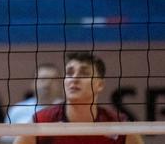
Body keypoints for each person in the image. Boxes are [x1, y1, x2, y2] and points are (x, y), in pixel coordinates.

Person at [13, 52, 143, 144]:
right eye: (69, 73)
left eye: (84, 73)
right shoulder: (41, 121)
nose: (74, 78)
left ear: (100, 85)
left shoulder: (119, 125)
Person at [2, 63, 62, 142]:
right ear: (33, 83)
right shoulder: (17, 110)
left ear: (60, 84)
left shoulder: (67, 108)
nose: (47, 84)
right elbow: (5, 139)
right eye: (43, 79)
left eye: (53, 79)